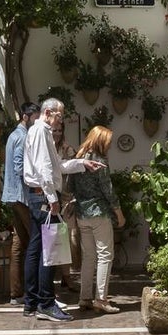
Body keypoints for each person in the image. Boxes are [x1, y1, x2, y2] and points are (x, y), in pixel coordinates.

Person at [22, 98, 102, 322]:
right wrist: (52, 198)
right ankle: (46, 303)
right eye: (59, 116)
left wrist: (82, 164)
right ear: (48, 112)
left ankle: (32, 302)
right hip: (44, 196)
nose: (61, 120)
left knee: (36, 249)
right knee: (50, 250)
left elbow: (55, 166)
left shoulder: (39, 131)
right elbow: (45, 169)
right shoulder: (41, 132)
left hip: (37, 195)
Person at [71, 126, 125, 314]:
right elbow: (108, 190)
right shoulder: (100, 161)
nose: (109, 145)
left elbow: (70, 187)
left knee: (88, 257)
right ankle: (101, 299)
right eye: (108, 142)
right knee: (105, 255)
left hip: (82, 214)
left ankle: (84, 298)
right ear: (100, 141)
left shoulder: (78, 159)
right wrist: (119, 213)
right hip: (99, 213)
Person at [2, 102, 40, 306]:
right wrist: (36, 182)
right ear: (26, 117)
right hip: (22, 196)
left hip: (11, 195)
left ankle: (16, 293)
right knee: (36, 239)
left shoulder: (12, 136)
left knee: (19, 243)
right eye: (35, 117)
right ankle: (34, 291)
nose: (37, 121)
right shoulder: (23, 136)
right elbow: (19, 166)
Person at [53, 122, 81, 292]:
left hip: (67, 199)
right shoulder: (46, 148)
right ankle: (57, 276)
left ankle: (66, 276)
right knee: (53, 239)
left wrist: (74, 198)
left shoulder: (68, 149)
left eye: (59, 130)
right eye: (54, 130)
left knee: (67, 240)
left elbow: (75, 173)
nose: (57, 133)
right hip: (51, 198)